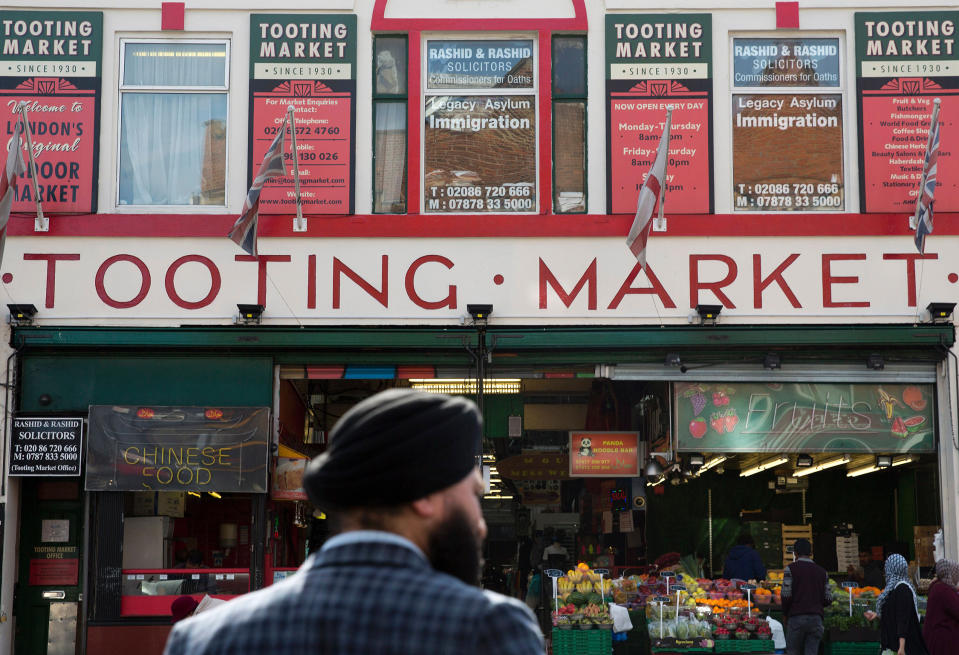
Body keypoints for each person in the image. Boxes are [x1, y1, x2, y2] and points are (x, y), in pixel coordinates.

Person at [164, 389, 545, 655]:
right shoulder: (491, 629)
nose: (480, 524)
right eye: (473, 495)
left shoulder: (203, 639)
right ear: (425, 497)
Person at [864, 553, 929, 655]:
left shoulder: (902, 589)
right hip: (894, 645)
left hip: (904, 648)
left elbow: (903, 618)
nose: (885, 572)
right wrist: (877, 615)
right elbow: (893, 612)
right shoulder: (894, 588)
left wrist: (901, 647)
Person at [781, 538, 831, 655]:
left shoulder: (790, 569)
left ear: (795, 553)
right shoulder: (823, 572)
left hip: (796, 619)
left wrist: (784, 614)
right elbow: (828, 599)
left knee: (792, 651)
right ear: (811, 553)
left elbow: (786, 596)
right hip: (816, 619)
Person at [921, 559, 959, 655]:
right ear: (950, 574)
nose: (957, 578)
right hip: (942, 642)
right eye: (956, 574)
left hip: (936, 638)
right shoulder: (944, 590)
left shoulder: (938, 586)